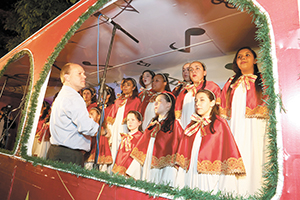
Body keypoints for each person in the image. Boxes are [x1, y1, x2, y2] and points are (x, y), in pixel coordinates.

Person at [175, 89, 246, 193]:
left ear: (212, 103)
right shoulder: (191, 126)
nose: (197, 104)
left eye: (202, 100)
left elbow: (226, 150)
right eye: (196, 101)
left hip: (209, 174)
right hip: (191, 171)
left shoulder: (219, 124)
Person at [220, 47, 268, 196]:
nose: (243, 58)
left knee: (254, 155)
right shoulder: (230, 83)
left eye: (247, 55)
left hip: (256, 128)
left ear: (255, 60)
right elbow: (223, 110)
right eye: (239, 56)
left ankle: (255, 192)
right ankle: (233, 193)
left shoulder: (264, 81)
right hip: (235, 127)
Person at [46, 63, 99, 167]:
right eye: (79, 73)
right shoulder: (73, 97)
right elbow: (86, 127)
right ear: (67, 77)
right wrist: (102, 130)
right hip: (68, 155)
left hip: (57, 152)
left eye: (84, 73)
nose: (84, 76)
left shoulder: (63, 95)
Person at [127, 92, 183, 187]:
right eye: (155, 101)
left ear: (168, 105)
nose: (155, 104)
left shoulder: (175, 124)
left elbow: (175, 148)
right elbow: (142, 147)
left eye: (159, 101)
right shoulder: (153, 124)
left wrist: (171, 173)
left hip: (164, 169)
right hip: (148, 162)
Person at [175, 61, 221, 129]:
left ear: (204, 72)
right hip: (186, 129)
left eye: (197, 68)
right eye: (191, 70)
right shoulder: (184, 91)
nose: (194, 71)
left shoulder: (212, 87)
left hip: (206, 128)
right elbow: (178, 117)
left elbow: (219, 110)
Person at [106, 78, 141, 168]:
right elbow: (112, 117)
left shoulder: (136, 100)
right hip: (115, 128)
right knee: (114, 148)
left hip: (126, 127)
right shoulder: (118, 100)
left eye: (128, 85)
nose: (125, 87)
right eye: (124, 85)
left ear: (133, 88)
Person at [112, 110, 143, 176]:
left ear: (139, 122)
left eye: (133, 120)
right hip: (120, 165)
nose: (130, 122)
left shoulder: (140, 137)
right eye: (128, 120)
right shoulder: (126, 136)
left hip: (130, 168)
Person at [85, 107, 112, 171]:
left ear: (98, 116)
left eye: (92, 114)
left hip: (100, 156)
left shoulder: (103, 129)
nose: (89, 116)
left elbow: (108, 134)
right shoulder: (88, 128)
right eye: (89, 114)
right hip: (89, 155)